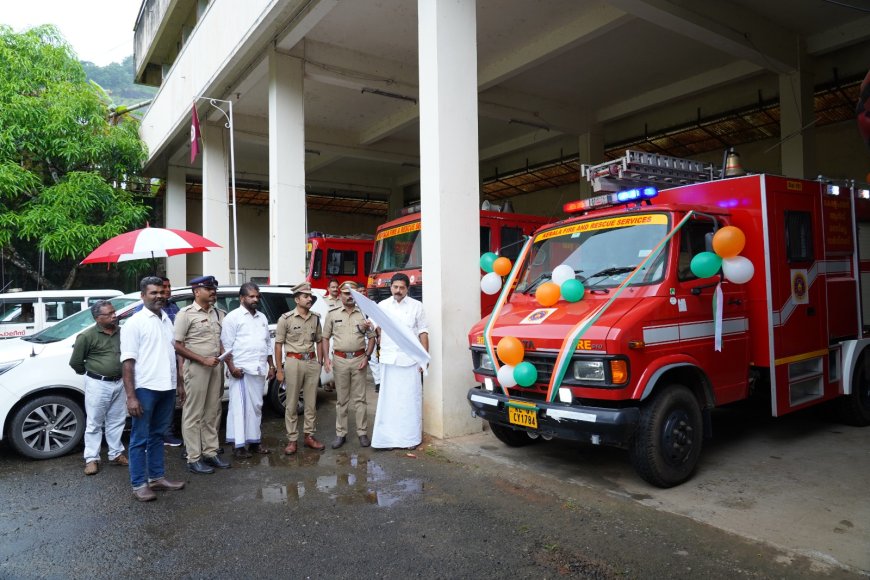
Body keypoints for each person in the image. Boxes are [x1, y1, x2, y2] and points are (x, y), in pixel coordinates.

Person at [121, 276, 186, 502]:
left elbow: (172, 353)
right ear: (142, 295)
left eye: (161, 292)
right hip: (145, 388)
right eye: (153, 293)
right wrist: (131, 396)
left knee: (158, 435)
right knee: (139, 438)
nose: (159, 296)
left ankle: (157, 477)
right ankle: (139, 483)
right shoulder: (134, 322)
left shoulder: (166, 320)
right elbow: (127, 362)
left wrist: (178, 383)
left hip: (166, 387)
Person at [174, 275, 230, 474]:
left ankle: (210, 452)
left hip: (216, 365)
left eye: (214, 288)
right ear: (197, 292)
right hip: (197, 368)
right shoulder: (185, 314)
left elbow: (223, 339)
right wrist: (201, 359)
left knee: (212, 411)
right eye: (208, 288)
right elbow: (177, 345)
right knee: (193, 413)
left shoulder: (219, 313)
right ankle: (193, 458)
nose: (213, 291)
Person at [69, 300, 127, 475]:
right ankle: (92, 458)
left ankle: (115, 454)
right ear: (97, 318)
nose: (114, 315)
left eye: (114, 312)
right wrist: (92, 374)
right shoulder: (87, 336)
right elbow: (76, 363)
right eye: (109, 314)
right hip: (98, 383)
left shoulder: (122, 332)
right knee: (94, 422)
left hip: (120, 382)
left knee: (117, 420)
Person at [371, 273, 429, 450]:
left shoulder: (416, 306)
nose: (398, 291)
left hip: (410, 360)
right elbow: (374, 328)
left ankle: (410, 439)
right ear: (391, 287)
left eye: (402, 288)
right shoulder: (382, 306)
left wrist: (424, 358)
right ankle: (387, 440)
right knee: (390, 402)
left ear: (407, 289)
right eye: (395, 287)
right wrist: (370, 327)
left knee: (409, 401)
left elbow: (423, 333)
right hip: (389, 360)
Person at [221, 282, 276, 458]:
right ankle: (239, 446)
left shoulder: (262, 317)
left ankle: (254, 442)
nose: (255, 299)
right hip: (241, 370)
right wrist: (232, 368)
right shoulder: (233, 317)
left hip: (259, 368)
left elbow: (267, 344)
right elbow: (226, 346)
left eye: (257, 296)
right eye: (251, 296)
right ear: (242, 298)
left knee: (257, 407)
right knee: (240, 408)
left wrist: (272, 365)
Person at [321, 281, 375, 449]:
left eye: (351, 293)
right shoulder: (332, 313)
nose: (349, 296)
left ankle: (362, 433)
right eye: (345, 293)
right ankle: (341, 434)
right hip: (340, 360)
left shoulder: (364, 313)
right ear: (340, 295)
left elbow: (372, 337)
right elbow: (325, 337)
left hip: (359, 359)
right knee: (342, 400)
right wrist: (326, 359)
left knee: (360, 399)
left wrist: (367, 356)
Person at [275, 282, 325, 454]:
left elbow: (319, 340)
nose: (309, 299)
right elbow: (278, 344)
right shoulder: (286, 318)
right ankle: (292, 439)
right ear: (297, 299)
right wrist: (279, 370)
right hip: (293, 362)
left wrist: (320, 362)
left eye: (310, 296)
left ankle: (309, 436)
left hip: (311, 361)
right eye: (306, 296)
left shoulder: (316, 317)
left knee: (311, 402)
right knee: (292, 402)